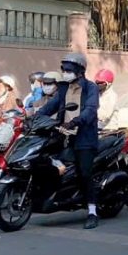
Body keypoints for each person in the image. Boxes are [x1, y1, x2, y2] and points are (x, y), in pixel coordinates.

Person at [38, 52, 100, 229]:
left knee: (85, 173)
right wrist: (35, 117)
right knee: (46, 161)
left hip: (84, 137)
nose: (65, 73)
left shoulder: (90, 88)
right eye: (64, 69)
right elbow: (50, 106)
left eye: (69, 70)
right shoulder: (64, 88)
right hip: (63, 134)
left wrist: (75, 122)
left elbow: (90, 110)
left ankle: (92, 211)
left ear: (80, 71)